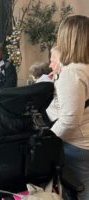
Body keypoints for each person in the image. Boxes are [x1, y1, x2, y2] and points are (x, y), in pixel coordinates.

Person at [46, 15, 89, 200]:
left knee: (82, 190)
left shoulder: (72, 73)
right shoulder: (84, 67)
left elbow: (70, 120)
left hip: (77, 145)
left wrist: (48, 138)